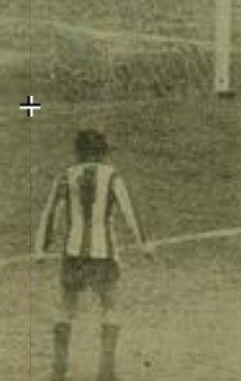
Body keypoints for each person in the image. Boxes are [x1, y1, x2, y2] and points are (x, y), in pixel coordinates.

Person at [35, 129, 153, 381]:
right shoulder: (112, 176)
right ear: (102, 152)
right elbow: (130, 212)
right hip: (104, 254)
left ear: (78, 152)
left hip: (73, 254)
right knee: (111, 306)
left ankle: (58, 372)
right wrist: (143, 244)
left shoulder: (66, 176)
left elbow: (51, 213)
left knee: (66, 308)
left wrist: (42, 248)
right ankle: (106, 372)